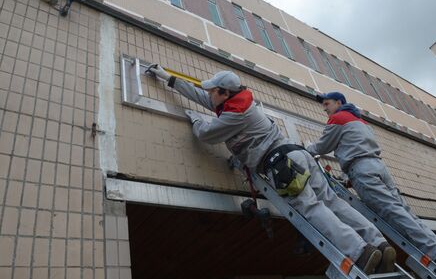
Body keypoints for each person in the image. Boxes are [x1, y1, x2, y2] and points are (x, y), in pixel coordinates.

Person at [146, 66, 396, 274]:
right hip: (300, 155)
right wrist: (169, 79)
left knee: (311, 207)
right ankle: (377, 243)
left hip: (281, 164)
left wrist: (196, 118)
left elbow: (206, 135)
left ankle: (359, 251)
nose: (208, 94)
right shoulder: (239, 103)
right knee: (333, 202)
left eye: (212, 90)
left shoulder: (234, 116)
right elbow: (202, 96)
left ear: (223, 93)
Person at [306, 91, 436, 268]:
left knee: (393, 212)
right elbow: (353, 146)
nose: (324, 108)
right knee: (404, 210)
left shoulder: (338, 118)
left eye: (327, 104)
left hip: (362, 169)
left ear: (339, 102)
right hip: (378, 167)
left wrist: (304, 149)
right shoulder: (359, 121)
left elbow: (323, 146)